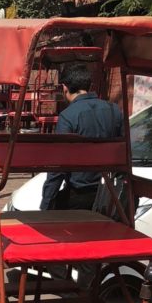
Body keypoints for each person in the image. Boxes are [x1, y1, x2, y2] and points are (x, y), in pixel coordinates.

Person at [40, 63, 124, 211]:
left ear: (64, 87)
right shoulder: (114, 110)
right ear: (89, 85)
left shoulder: (68, 116)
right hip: (108, 195)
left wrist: (46, 204)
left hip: (79, 197)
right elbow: (124, 153)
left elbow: (58, 167)